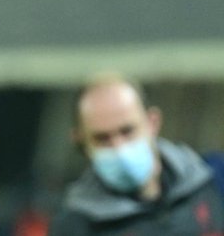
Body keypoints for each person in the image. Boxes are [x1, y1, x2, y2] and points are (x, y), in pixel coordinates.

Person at [49, 74, 224, 236]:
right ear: (81, 142)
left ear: (152, 123)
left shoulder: (212, 180)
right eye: (102, 139)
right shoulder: (75, 225)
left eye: (127, 131)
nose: (119, 147)